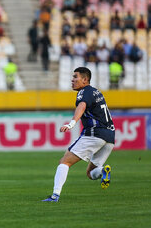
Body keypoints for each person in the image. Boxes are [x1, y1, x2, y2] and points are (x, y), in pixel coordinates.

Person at [43, 67, 115, 202]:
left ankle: (55, 196)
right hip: (110, 136)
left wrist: (71, 124)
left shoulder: (84, 91)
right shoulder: (96, 92)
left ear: (85, 79)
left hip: (95, 133)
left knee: (64, 162)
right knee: (91, 173)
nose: (72, 79)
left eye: (75, 77)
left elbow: (81, 106)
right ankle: (103, 171)